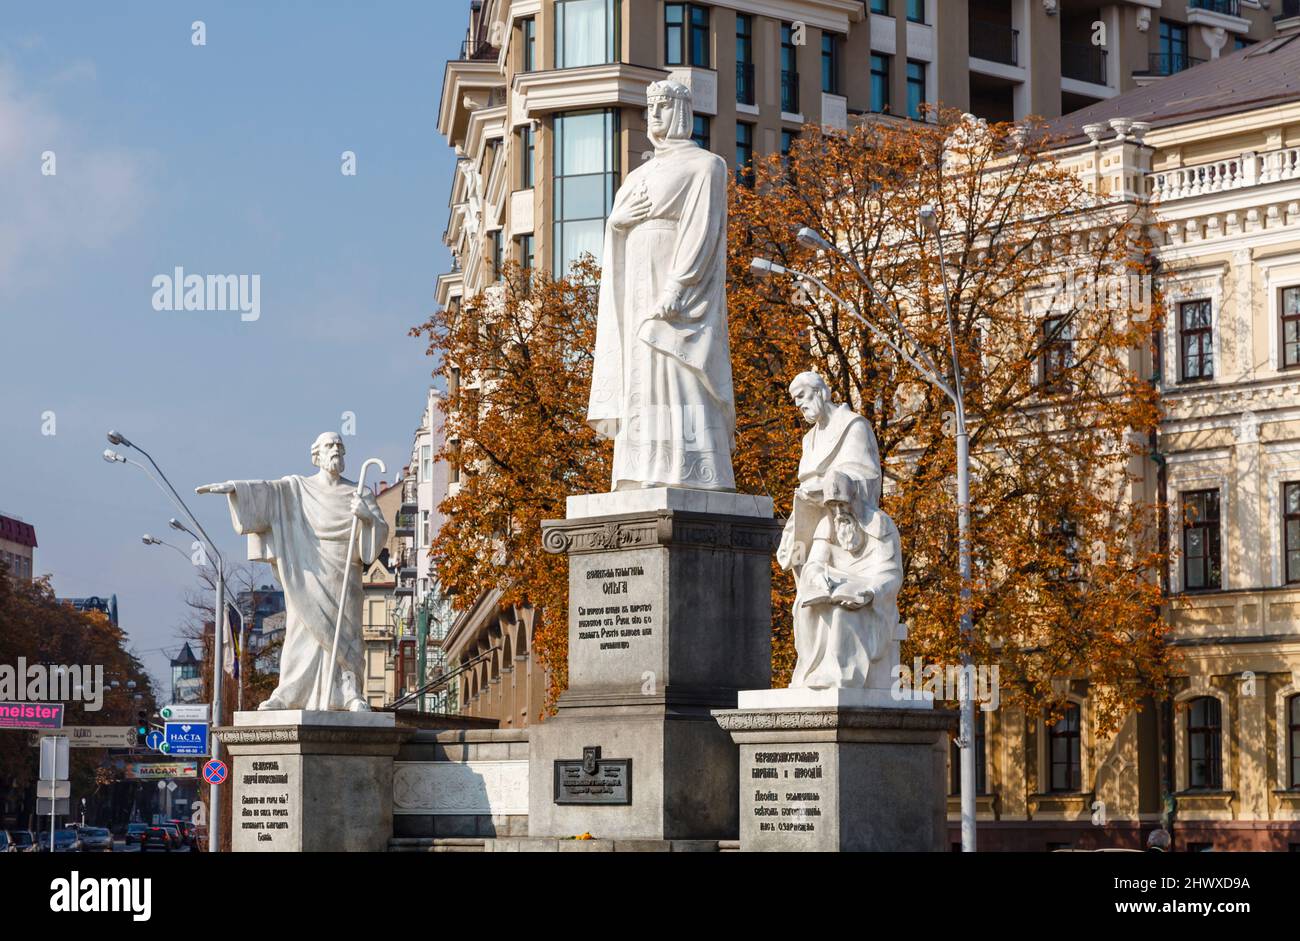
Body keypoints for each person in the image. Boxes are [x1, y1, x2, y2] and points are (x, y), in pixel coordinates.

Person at [587, 79, 735, 492]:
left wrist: (677, 289)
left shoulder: (706, 165)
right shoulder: (637, 176)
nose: (654, 116)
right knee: (642, 376)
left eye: (663, 107)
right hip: (636, 289)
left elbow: (703, 232)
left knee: (680, 370)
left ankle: (693, 470)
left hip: (679, 297)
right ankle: (642, 468)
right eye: (650, 108)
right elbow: (617, 229)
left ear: (683, 111)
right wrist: (616, 225)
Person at [196, 432, 387, 711]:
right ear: (316, 455)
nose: (335, 449)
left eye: (339, 445)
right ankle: (289, 693)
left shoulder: (359, 493)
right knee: (302, 630)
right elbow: (269, 493)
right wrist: (235, 489)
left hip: (345, 572)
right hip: (307, 570)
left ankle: (349, 692)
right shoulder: (298, 489)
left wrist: (367, 517)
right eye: (329, 445)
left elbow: (376, 539)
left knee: (346, 634)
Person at [791, 471, 902, 689]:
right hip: (833, 588)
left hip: (870, 597)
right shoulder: (828, 523)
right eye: (833, 506)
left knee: (842, 613)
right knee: (804, 607)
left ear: (854, 500)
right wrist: (818, 579)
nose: (839, 512)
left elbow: (890, 573)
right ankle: (810, 671)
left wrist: (870, 593)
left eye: (843, 504)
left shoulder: (880, 524)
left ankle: (839, 676)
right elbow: (813, 564)